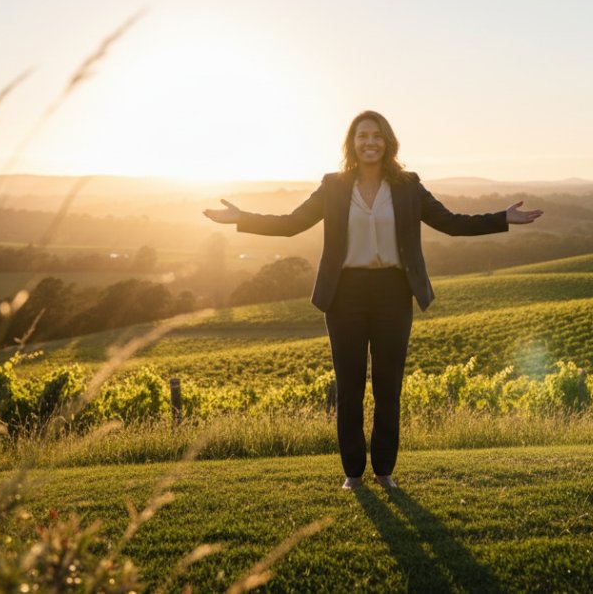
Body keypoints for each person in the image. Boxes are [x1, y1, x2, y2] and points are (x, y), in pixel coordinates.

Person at [204, 110, 542, 489]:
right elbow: (290, 224)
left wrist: (503, 218)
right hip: (344, 294)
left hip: (393, 293)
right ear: (352, 143)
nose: (370, 142)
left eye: (377, 136)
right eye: (363, 135)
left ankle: (384, 470)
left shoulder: (408, 186)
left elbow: (452, 223)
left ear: (388, 142)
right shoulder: (333, 186)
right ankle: (352, 473)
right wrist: (240, 218)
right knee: (349, 388)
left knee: (387, 386)